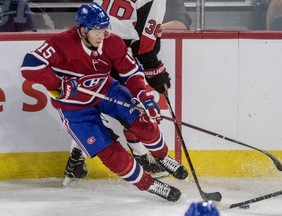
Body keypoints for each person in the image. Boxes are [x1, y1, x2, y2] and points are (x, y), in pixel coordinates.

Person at [21, 2, 188, 202]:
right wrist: (59, 84)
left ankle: (163, 157)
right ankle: (149, 184)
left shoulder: (112, 41)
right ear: (83, 30)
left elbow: (131, 72)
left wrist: (143, 96)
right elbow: (29, 67)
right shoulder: (61, 44)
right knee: (111, 155)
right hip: (74, 106)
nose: (102, 35)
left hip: (106, 90)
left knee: (144, 123)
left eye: (104, 29)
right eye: (97, 31)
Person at [63, 0, 192, 181]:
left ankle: (75, 161)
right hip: (113, 50)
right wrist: (155, 70)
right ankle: (142, 157)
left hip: (84, 46)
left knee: (89, 109)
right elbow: (144, 45)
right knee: (133, 107)